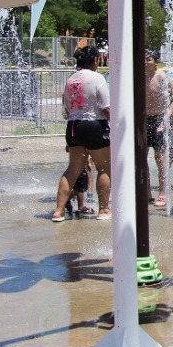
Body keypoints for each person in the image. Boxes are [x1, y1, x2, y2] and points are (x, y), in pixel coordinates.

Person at [54, 45, 110, 222]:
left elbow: (67, 109)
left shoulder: (70, 79)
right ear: (95, 60)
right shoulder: (97, 77)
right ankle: (103, 209)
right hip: (94, 124)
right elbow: (106, 106)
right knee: (104, 167)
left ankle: (58, 211)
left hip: (73, 126)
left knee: (72, 170)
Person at [144, 52, 168, 201]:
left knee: (160, 158)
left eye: (148, 59)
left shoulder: (161, 76)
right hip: (143, 119)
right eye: (144, 59)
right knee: (141, 159)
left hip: (158, 119)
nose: (145, 62)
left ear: (156, 61)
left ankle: (163, 193)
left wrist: (166, 116)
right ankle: (146, 193)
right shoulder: (138, 75)